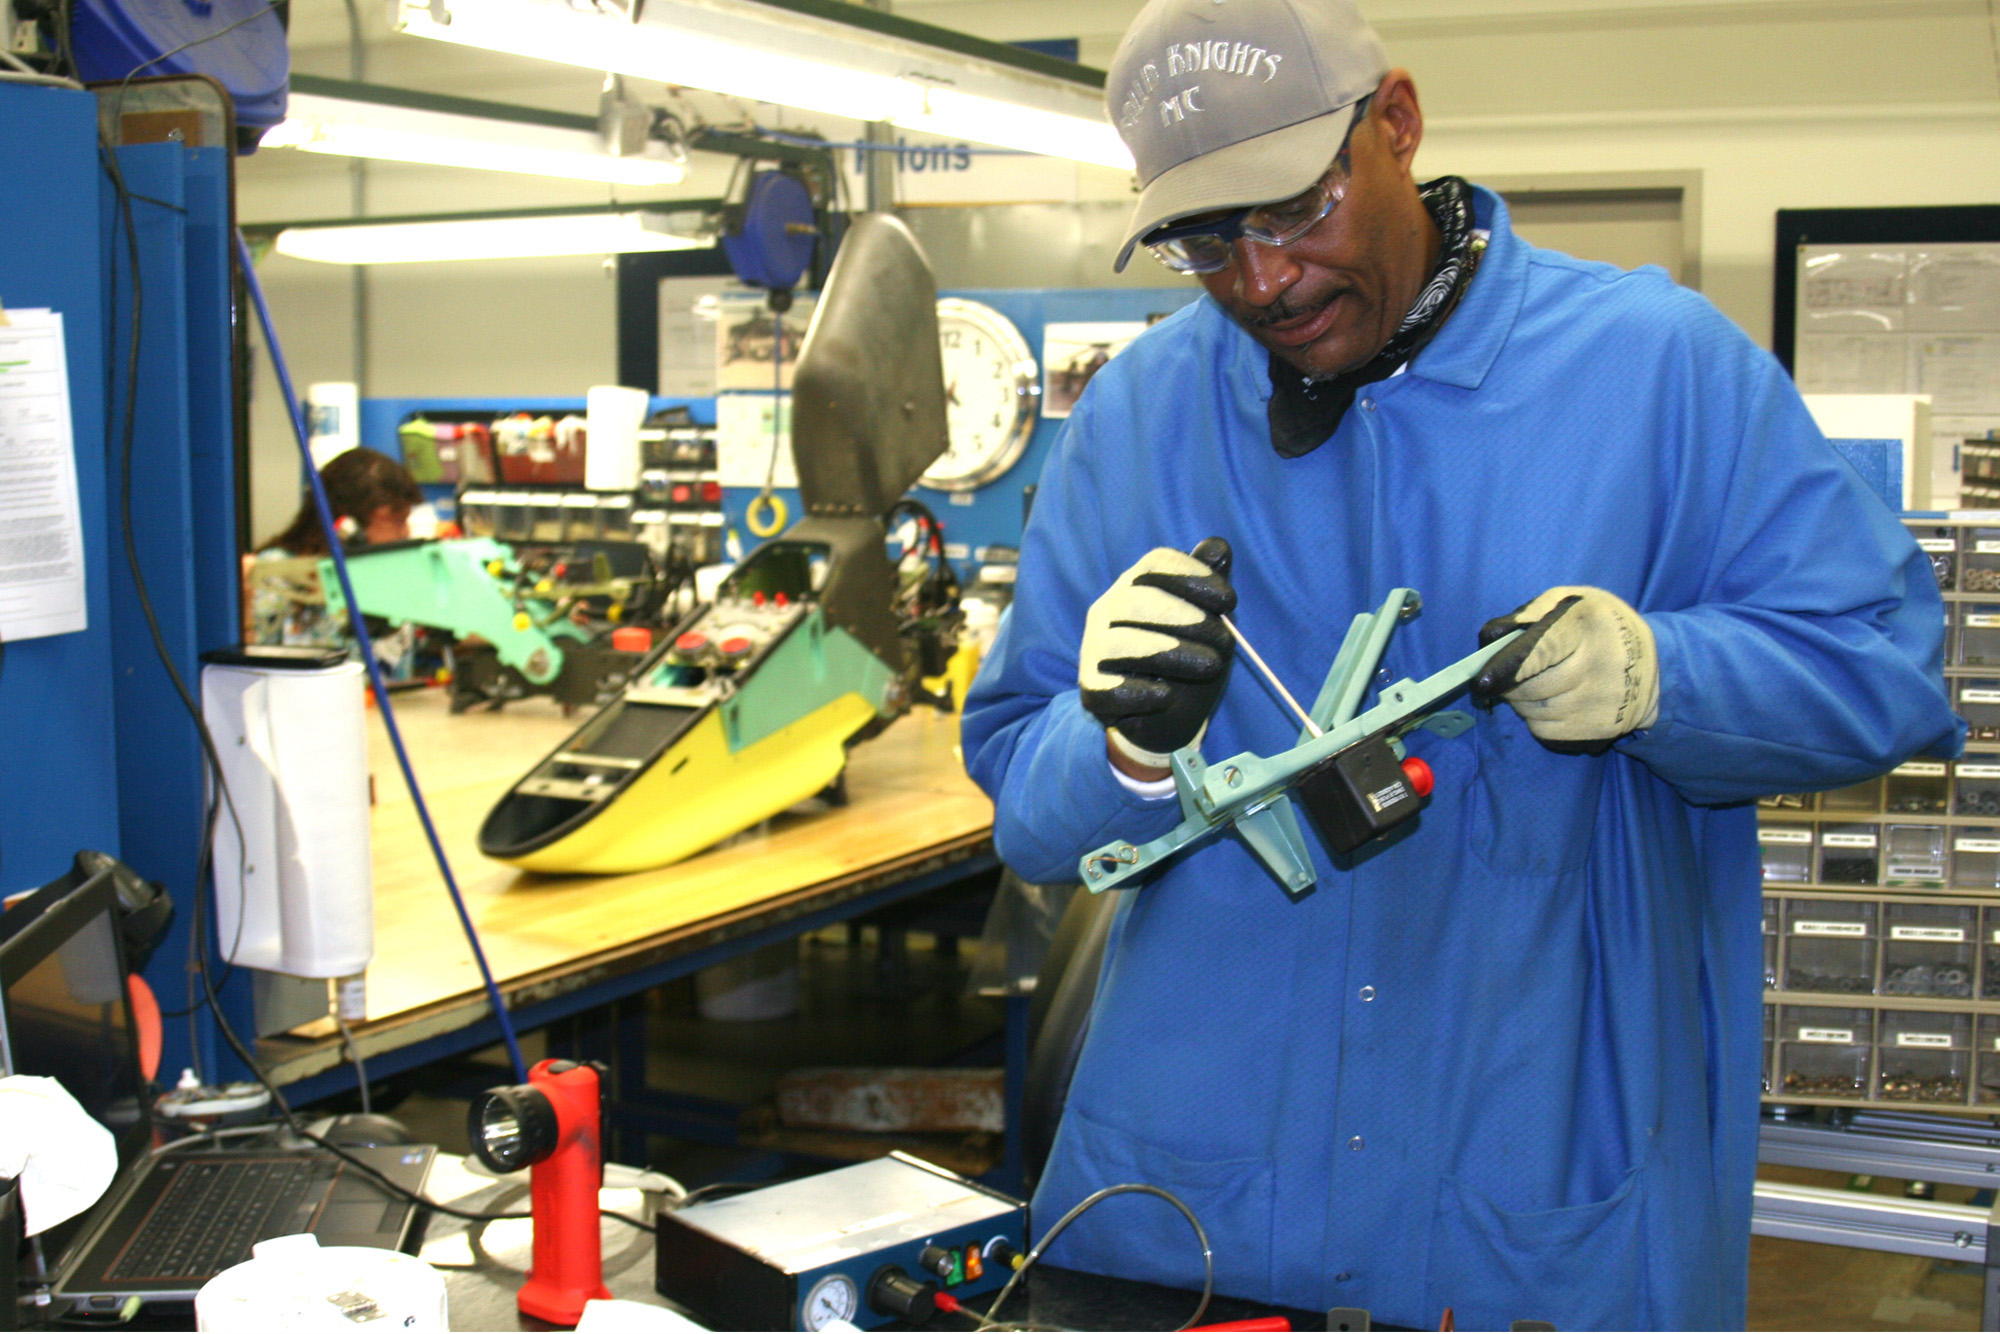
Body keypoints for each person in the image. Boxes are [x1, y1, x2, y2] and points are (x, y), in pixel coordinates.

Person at [959, 0, 1962, 1328]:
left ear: (1399, 124)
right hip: (1196, 1200)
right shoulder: (1141, 416)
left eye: (1290, 209)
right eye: (1205, 239)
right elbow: (1031, 815)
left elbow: (1889, 672)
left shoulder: (1661, 372)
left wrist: (1667, 674)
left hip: (1535, 1183)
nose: (1261, 280)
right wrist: (1126, 744)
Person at [247, 446, 423, 652]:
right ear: (348, 526)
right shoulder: (278, 574)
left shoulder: (390, 576)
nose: (405, 533)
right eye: (397, 522)